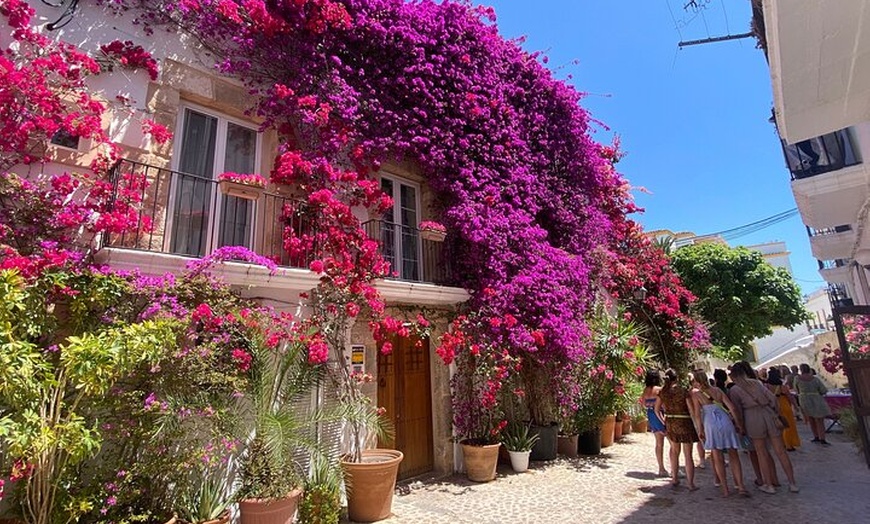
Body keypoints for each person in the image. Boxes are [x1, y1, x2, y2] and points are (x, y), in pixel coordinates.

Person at [729, 362, 799, 494]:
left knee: (761, 452)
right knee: (781, 451)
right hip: (768, 413)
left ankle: (768, 484)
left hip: (752, 417)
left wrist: (740, 426)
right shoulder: (757, 383)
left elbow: (737, 410)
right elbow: (772, 398)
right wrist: (775, 413)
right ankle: (792, 482)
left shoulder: (735, 390)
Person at [690, 370, 747, 497]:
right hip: (725, 420)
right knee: (734, 455)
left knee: (717, 457)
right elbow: (731, 408)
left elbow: (697, 415)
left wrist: (700, 430)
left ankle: (725, 488)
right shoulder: (718, 391)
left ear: (697, 381)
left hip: (710, 423)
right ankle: (741, 486)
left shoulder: (697, 395)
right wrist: (738, 424)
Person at [655, 368, 699, 491]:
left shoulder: (663, 392)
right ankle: (691, 484)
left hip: (670, 421)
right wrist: (696, 422)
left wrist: (663, 420)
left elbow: (656, 409)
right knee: (688, 454)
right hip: (684, 421)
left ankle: (674, 478)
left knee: (674, 451)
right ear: (677, 378)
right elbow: (690, 409)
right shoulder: (682, 391)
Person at [794, 363, 831, 445]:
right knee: (819, 420)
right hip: (816, 398)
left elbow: (795, 389)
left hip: (804, 399)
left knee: (810, 419)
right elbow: (823, 390)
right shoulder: (815, 379)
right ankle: (822, 438)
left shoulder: (797, 378)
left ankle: (816, 436)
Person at [766, 367, 801, 451]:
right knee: (788, 425)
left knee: (777, 426)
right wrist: (796, 406)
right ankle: (789, 444)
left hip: (773, 406)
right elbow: (790, 397)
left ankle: (781, 443)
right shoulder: (782, 386)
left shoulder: (766, 386)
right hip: (784, 405)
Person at [641, 369, 667, 477]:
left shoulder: (645, 391)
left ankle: (661, 468)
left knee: (659, 443)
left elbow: (643, 404)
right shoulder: (659, 390)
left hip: (651, 415)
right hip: (660, 415)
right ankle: (674, 468)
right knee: (673, 444)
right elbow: (664, 405)